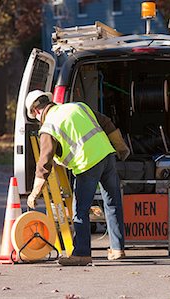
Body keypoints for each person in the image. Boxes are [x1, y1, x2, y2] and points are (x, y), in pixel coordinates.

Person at [25, 90, 130, 266]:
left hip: (87, 165)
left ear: (36, 111)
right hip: (107, 156)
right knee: (112, 204)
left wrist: (35, 191)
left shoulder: (48, 127)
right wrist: (121, 147)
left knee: (80, 211)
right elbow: (106, 122)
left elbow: (45, 161)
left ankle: (81, 253)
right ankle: (117, 249)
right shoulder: (78, 106)